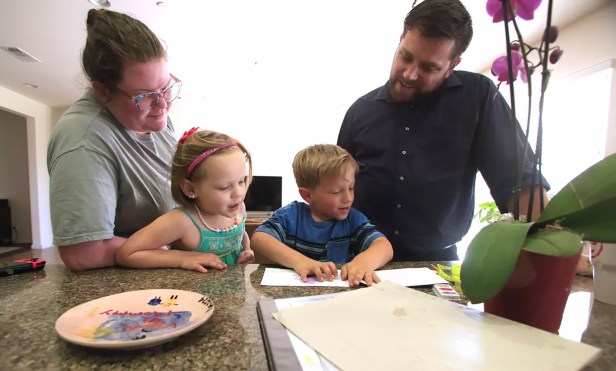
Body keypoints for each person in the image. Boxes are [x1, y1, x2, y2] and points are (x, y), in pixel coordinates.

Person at [337, 0, 550, 262]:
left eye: (429, 67)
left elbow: (519, 181)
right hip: (361, 260)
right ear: (400, 39)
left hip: (436, 262)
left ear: (452, 65)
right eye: (406, 56)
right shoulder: (360, 111)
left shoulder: (479, 97)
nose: (410, 74)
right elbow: (333, 188)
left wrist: (548, 251)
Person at [47, 9, 179, 270]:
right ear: (102, 91)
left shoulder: (156, 117)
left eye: (166, 87)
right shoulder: (83, 140)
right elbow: (83, 254)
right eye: (145, 96)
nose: (162, 104)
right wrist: (176, 253)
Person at [251, 144, 393, 287]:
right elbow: (260, 239)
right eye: (337, 192)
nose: (348, 198)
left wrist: (364, 262)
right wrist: (300, 262)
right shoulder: (291, 216)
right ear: (307, 195)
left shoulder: (353, 220)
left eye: (351, 188)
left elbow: (384, 246)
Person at [115, 129, 255, 271]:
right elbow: (126, 254)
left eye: (242, 181)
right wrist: (182, 258)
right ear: (190, 189)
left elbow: (240, 233)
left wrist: (247, 249)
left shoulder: (239, 208)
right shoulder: (182, 221)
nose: (238, 193)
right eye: (224, 187)